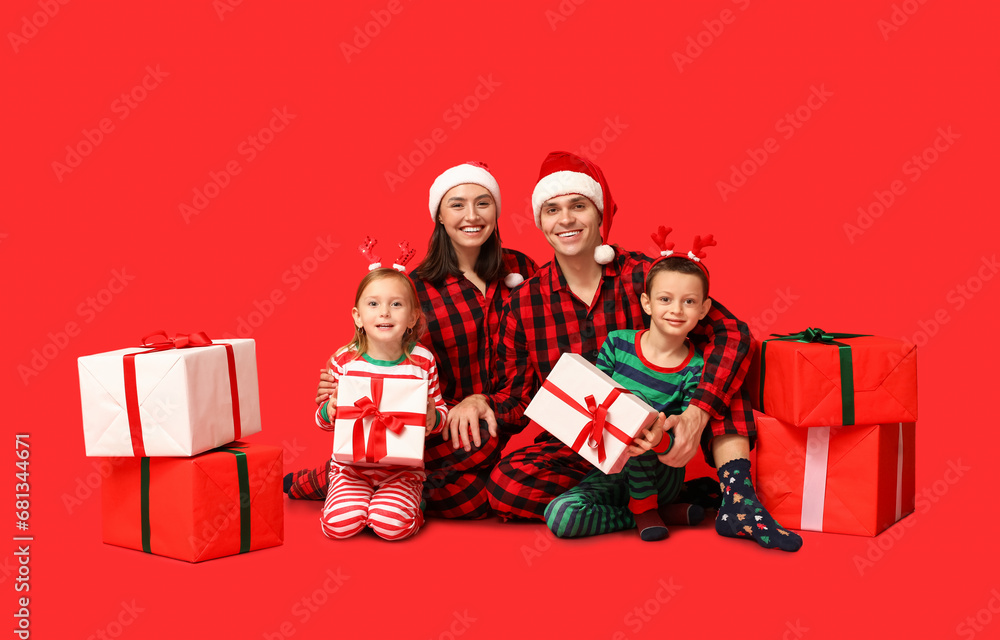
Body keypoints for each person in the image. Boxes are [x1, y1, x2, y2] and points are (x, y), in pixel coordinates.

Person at [449, 150, 800, 551]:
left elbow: (732, 333)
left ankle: (739, 500)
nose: (565, 219)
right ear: (540, 222)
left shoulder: (644, 276)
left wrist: (695, 414)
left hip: (656, 440)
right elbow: (516, 394)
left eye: (578, 206)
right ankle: (652, 507)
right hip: (579, 446)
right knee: (506, 487)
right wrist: (480, 401)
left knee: (721, 366)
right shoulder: (525, 301)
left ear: (599, 214)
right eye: (552, 210)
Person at [287, 161, 538, 519]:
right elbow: (381, 347)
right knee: (476, 494)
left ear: (496, 210)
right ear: (438, 216)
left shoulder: (523, 271)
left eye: (483, 202)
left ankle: (355, 474)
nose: (472, 215)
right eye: (457, 204)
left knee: (484, 445)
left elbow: (538, 346)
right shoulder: (416, 288)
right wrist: (339, 374)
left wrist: (483, 401)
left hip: (500, 413)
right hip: (433, 423)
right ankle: (363, 473)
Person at [316, 265, 447, 541]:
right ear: (358, 316)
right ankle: (358, 501)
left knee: (391, 527)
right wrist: (330, 410)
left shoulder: (422, 361)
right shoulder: (344, 361)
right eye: (373, 303)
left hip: (403, 471)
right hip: (350, 470)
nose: (384, 312)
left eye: (396, 304)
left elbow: (440, 412)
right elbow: (322, 421)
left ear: (412, 317)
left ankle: (411, 508)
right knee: (339, 526)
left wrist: (434, 418)